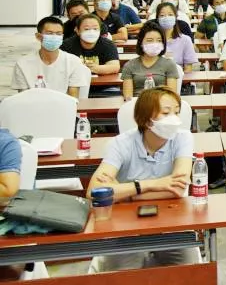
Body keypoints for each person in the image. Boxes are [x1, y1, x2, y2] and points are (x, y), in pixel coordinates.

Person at [88, 87, 199, 271]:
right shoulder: (120, 143)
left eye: (177, 112)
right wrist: (154, 184)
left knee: (189, 274)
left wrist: (123, 193)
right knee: (124, 278)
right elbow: (94, 192)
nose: (174, 119)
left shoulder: (183, 138)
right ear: (147, 120)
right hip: (126, 224)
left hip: (171, 221)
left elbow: (178, 189)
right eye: (166, 113)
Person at [13, 16, 89, 97]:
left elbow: (73, 98)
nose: (54, 37)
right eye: (49, 33)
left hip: (64, 104)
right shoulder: (22, 64)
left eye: (58, 34)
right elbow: (23, 98)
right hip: (34, 104)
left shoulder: (73, 62)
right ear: (38, 36)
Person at [120, 21, 180, 100]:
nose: (155, 44)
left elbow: (171, 96)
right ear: (141, 42)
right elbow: (128, 97)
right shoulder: (130, 65)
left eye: (159, 40)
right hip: (137, 104)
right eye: (149, 40)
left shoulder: (169, 64)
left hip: (161, 103)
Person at [62, 14, 121, 81]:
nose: (91, 32)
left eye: (95, 29)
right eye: (86, 29)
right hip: (74, 83)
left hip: (103, 84)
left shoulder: (108, 44)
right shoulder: (66, 45)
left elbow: (115, 67)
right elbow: (61, 67)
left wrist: (94, 68)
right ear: (77, 31)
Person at [154, 1, 197, 73]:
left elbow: (188, 69)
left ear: (175, 17)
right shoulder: (152, 41)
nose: (166, 17)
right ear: (157, 19)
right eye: (162, 15)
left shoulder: (185, 40)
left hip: (178, 77)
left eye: (170, 15)